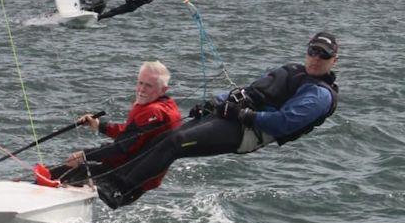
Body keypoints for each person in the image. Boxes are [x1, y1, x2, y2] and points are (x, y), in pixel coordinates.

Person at [96, 32, 340, 209]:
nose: (316, 59)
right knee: (163, 137)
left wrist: (241, 115)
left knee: (176, 142)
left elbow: (282, 123)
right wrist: (216, 102)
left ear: (333, 60)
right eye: (313, 52)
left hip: (247, 133)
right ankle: (111, 177)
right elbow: (252, 90)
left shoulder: (319, 95)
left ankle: (121, 190)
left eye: (323, 55)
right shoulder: (294, 69)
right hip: (230, 116)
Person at [47, 61, 182, 186]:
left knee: (54, 174)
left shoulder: (154, 112)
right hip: (128, 171)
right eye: (140, 83)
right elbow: (131, 135)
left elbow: (121, 146)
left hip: (125, 179)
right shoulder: (166, 106)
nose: (141, 89)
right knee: (59, 172)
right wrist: (100, 125)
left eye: (148, 85)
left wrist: (83, 155)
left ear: (163, 90)